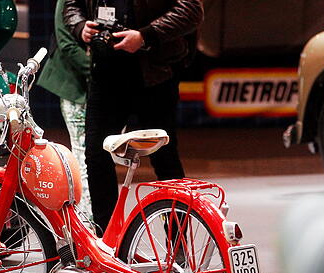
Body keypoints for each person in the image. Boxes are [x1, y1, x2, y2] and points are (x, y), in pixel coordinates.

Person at [63, 0, 202, 233]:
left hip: (154, 73)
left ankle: (176, 241)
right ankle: (107, 240)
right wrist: (79, 27)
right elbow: (71, 5)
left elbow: (191, 10)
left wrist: (146, 35)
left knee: (165, 159)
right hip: (106, 73)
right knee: (97, 155)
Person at [38, 0, 93, 221]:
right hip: (76, 89)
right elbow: (67, 45)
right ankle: (88, 221)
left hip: (98, 90)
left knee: (95, 156)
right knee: (83, 155)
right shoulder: (67, 3)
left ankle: (92, 218)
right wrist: (102, 72)